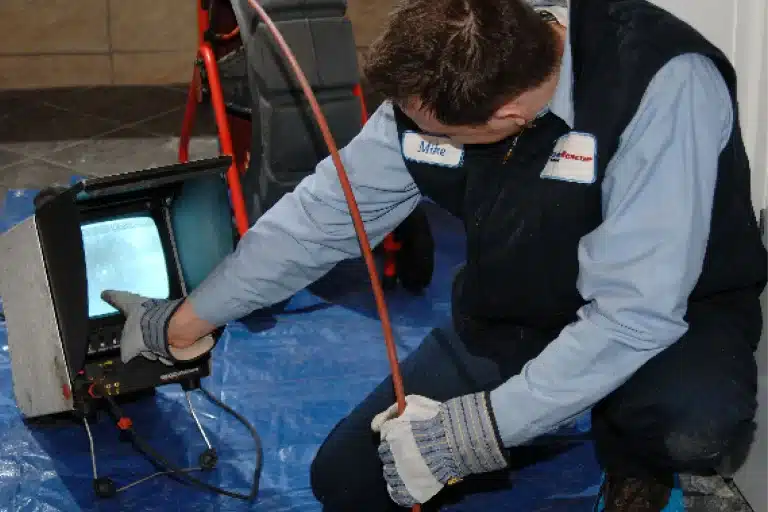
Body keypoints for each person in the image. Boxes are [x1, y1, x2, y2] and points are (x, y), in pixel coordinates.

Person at [101, 0, 768, 510]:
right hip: (517, 310)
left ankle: (637, 467)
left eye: (434, 132)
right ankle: (550, 417)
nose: (413, 135)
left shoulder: (662, 85)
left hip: (674, 318)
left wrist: (471, 434)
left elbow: (634, 314)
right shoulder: (454, 66)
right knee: (347, 485)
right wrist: (187, 320)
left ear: (509, 117)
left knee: (688, 422)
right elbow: (324, 216)